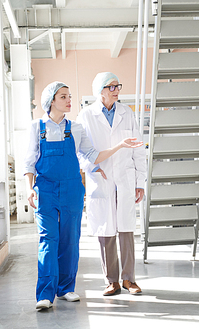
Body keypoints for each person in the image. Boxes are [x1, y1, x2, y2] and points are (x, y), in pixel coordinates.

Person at [24, 81, 142, 310]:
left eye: (69, 96)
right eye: (63, 97)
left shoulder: (75, 128)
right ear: (51, 101)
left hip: (72, 190)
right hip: (45, 190)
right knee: (48, 240)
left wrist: (118, 146)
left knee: (70, 240)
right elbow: (29, 160)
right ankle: (45, 294)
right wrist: (29, 188)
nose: (69, 100)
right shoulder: (36, 128)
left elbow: (92, 155)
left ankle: (66, 288)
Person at [77, 72, 146, 296]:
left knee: (126, 230)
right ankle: (111, 281)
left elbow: (138, 149)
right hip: (102, 178)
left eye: (118, 85)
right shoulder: (86, 115)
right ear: (100, 91)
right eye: (111, 86)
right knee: (105, 232)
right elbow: (78, 151)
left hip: (125, 179)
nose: (117, 90)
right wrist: (92, 167)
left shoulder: (127, 113)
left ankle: (129, 280)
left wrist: (140, 181)